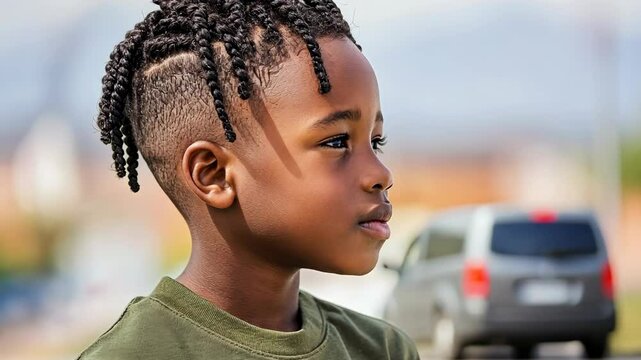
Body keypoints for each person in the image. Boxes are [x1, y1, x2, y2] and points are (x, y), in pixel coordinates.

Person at [78, 0, 419, 359]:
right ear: (214, 174)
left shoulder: (383, 349)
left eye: (375, 142)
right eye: (336, 142)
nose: (381, 174)